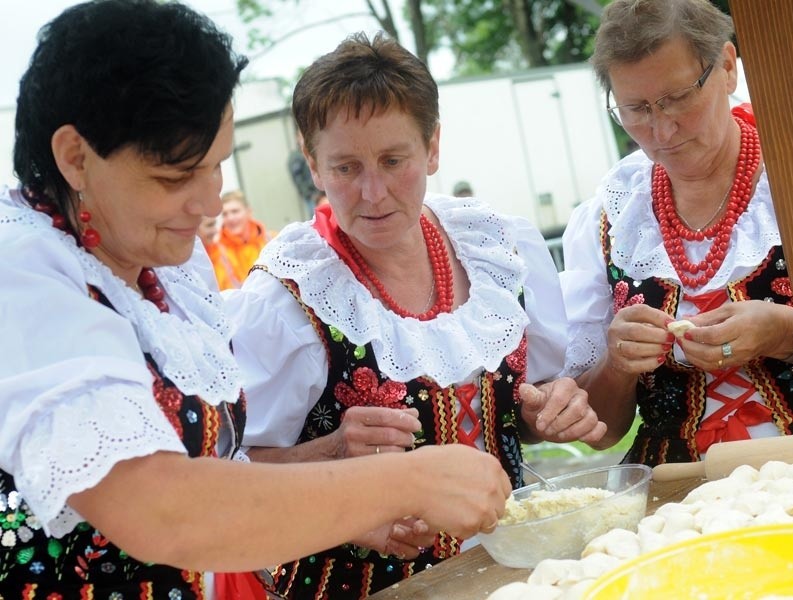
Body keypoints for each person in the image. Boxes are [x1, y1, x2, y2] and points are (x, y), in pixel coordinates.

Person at [0, 2, 515, 598]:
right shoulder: (25, 270)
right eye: (176, 178)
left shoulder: (165, 265)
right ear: (75, 157)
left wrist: (339, 501)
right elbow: (162, 507)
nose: (209, 204)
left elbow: (220, 477)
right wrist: (406, 481)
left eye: (216, 166)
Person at [225, 32, 607, 599]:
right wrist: (331, 455)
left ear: (432, 148)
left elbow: (528, 401)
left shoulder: (497, 247)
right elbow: (231, 483)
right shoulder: (287, 297)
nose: (372, 191)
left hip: (513, 572)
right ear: (313, 164)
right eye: (346, 167)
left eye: (393, 160)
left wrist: (554, 407)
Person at [559, 0, 793, 468]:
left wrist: (785, 334)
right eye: (637, 108)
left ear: (727, 68)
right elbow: (602, 432)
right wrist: (617, 363)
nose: (662, 128)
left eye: (677, 98)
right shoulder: (611, 213)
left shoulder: (788, 174)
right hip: (676, 492)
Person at [218, 189, 276, 282]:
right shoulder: (218, 252)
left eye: (235, 211)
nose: (230, 218)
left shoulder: (272, 239)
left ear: (249, 211)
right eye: (225, 214)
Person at [199, 214, 243, 290]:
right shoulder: (183, 262)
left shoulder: (221, 252)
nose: (215, 230)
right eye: (209, 225)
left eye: (214, 224)